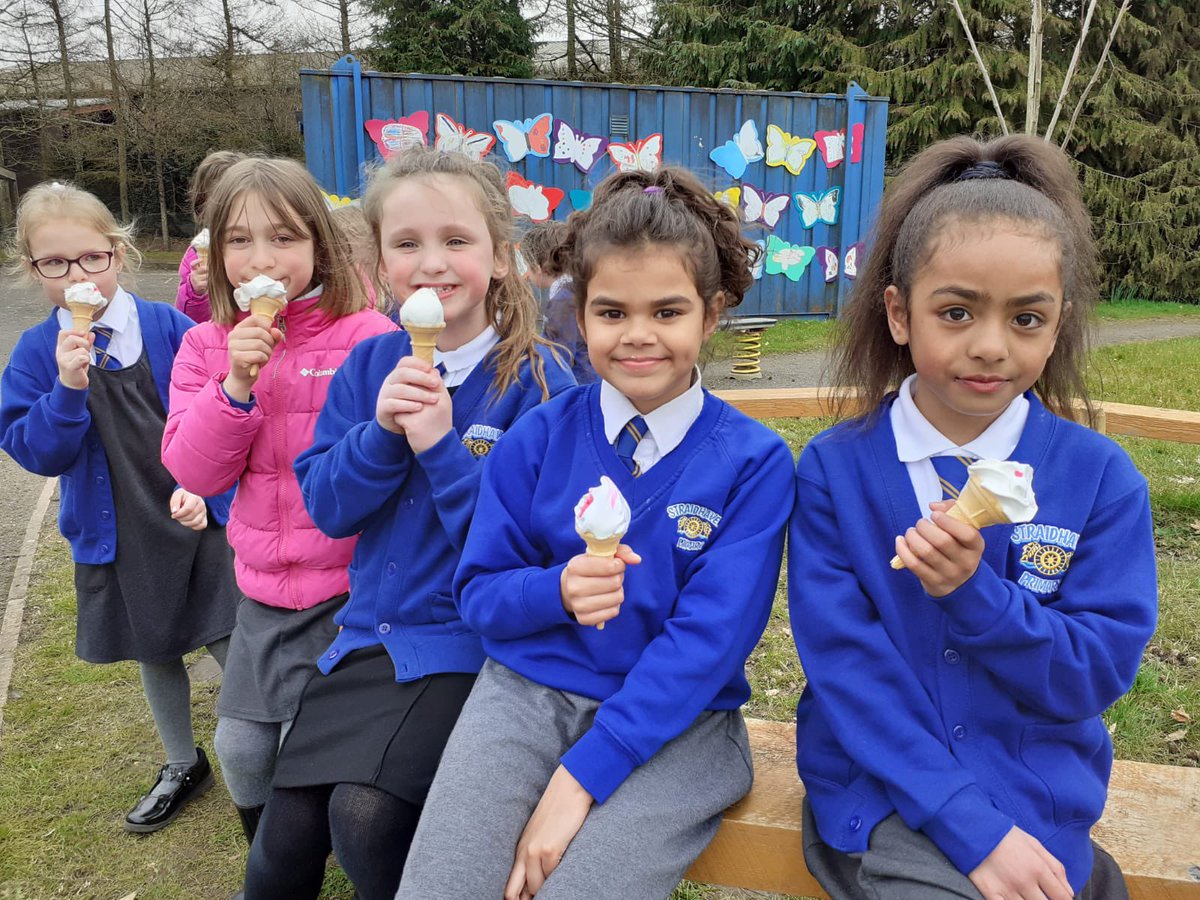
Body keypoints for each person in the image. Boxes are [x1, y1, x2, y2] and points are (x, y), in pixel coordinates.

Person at [398, 166, 795, 900]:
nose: (638, 336)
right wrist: (556, 590)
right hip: (524, 694)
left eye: (668, 313)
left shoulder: (753, 463)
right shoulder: (540, 438)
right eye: (612, 313)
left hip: (680, 725)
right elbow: (480, 595)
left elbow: (708, 645)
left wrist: (579, 779)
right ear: (579, 316)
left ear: (712, 316)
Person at [787, 134, 1158, 900]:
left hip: (1037, 794)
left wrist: (974, 595)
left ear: (1057, 326)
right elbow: (849, 674)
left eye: (1027, 319)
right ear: (899, 313)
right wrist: (971, 826)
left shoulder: (1100, 481)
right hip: (880, 792)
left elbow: (1092, 674)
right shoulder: (835, 471)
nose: (990, 347)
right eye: (956, 312)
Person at [240, 145, 575, 900]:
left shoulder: (543, 383)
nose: (433, 263)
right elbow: (328, 506)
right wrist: (380, 435)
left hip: (475, 649)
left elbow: (527, 552)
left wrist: (441, 448)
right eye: (407, 244)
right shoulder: (370, 367)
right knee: (281, 843)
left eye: (456, 241)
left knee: (365, 818)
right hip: (371, 640)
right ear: (380, 262)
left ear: (500, 256)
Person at [160, 157, 396, 846]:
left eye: (284, 237)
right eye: (238, 239)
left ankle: (306, 856)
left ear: (318, 244)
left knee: (306, 749)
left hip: (349, 593)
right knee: (239, 749)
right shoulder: (206, 348)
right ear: (214, 251)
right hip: (263, 596)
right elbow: (195, 471)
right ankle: (268, 851)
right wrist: (234, 384)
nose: (261, 257)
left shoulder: (366, 337)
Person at [0, 181, 240, 833]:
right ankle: (180, 761)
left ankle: (272, 745)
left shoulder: (167, 326)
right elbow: (38, 452)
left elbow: (220, 417)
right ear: (33, 268)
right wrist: (67, 388)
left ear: (119, 253)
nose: (77, 274)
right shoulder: (34, 355)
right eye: (56, 263)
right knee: (152, 646)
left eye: (91, 257)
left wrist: (213, 494)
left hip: (195, 515)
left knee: (232, 635)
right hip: (121, 529)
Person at [176, 150, 246, 323]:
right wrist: (194, 291)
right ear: (203, 204)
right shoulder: (197, 254)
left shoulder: (264, 247)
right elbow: (187, 321)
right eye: (218, 202)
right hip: (219, 342)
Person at [522, 219, 596, 383]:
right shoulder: (580, 288)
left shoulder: (563, 301)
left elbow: (559, 355)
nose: (527, 273)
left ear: (539, 267)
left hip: (577, 383)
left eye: (528, 265)